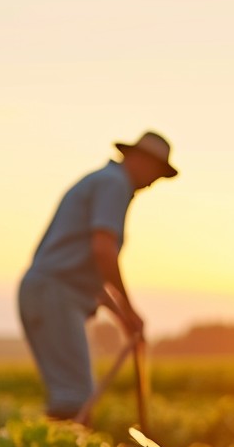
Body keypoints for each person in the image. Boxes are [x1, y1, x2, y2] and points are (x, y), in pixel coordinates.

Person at [18, 131, 177, 420]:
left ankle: (56, 446)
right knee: (75, 397)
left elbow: (91, 272)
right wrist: (129, 308)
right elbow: (103, 252)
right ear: (139, 160)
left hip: (49, 291)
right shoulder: (114, 184)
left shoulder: (106, 181)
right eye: (157, 172)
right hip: (55, 292)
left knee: (72, 393)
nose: (154, 182)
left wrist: (122, 316)